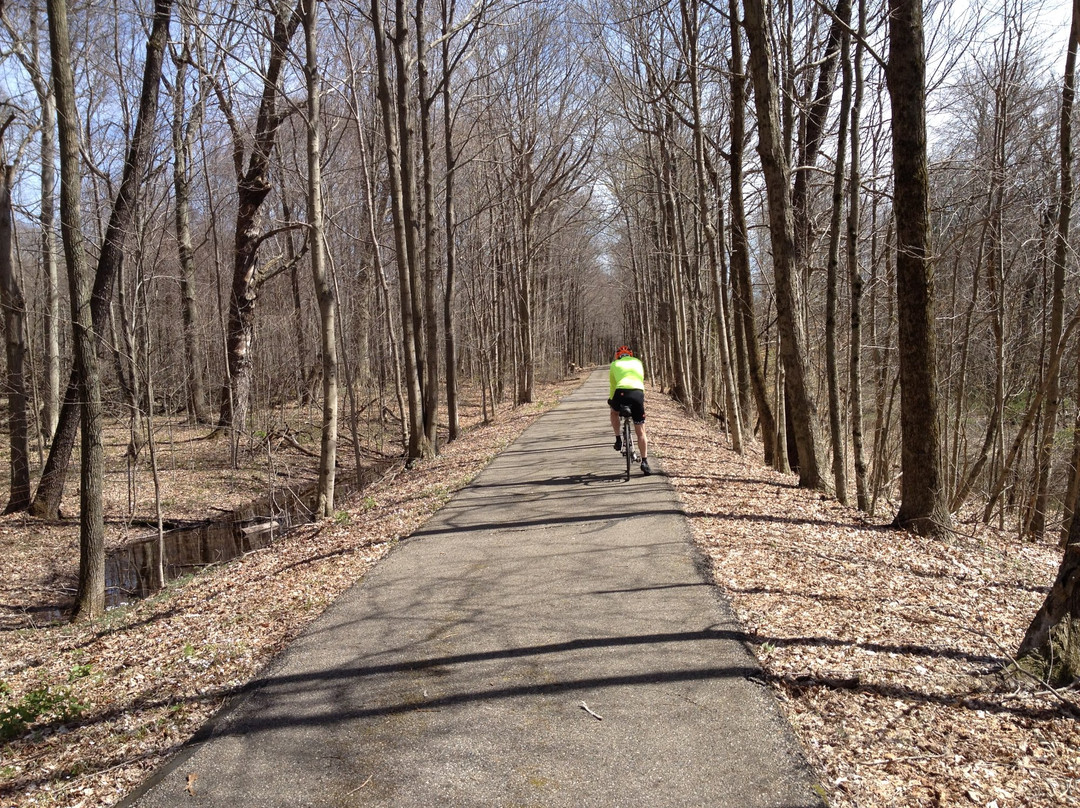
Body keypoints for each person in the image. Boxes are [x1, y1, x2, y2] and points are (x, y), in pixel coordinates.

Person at [608, 346, 651, 475]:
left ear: (618, 356)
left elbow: (613, 385)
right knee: (641, 431)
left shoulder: (615, 364)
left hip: (621, 393)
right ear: (630, 355)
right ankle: (645, 462)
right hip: (637, 393)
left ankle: (618, 439)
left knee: (614, 412)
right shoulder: (638, 362)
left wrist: (611, 401)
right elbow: (641, 379)